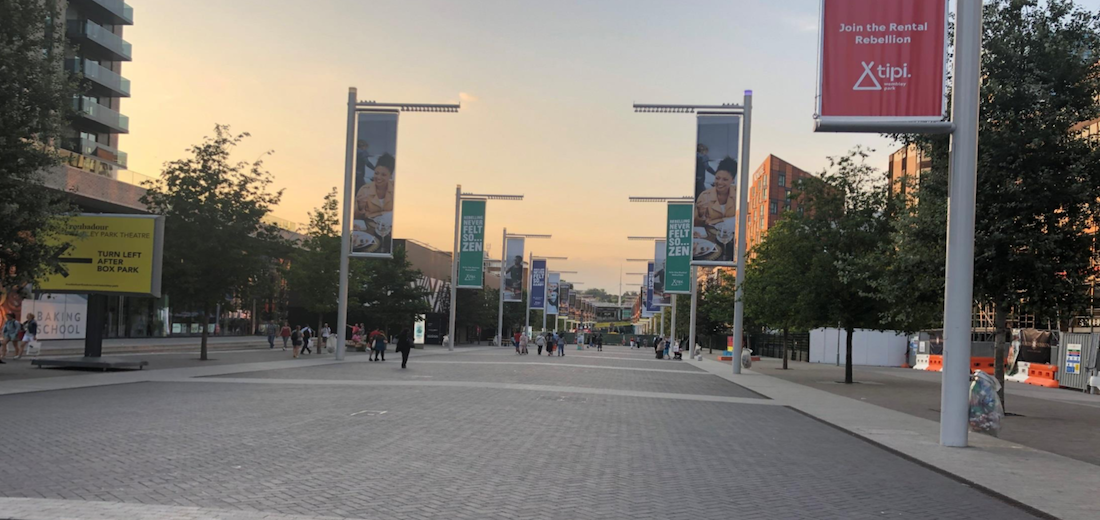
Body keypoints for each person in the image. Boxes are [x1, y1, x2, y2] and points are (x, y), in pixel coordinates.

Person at [355, 153, 395, 221]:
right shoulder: (364, 190)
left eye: (383, 175)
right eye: (376, 173)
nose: (378, 177)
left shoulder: (396, 188)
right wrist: (360, 207)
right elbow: (355, 218)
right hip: (370, 228)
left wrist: (376, 214)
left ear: (390, 176)